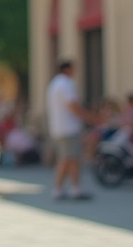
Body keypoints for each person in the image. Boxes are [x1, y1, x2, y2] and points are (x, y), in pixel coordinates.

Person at [46, 60, 93, 200]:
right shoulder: (65, 84)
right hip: (68, 128)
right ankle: (58, 188)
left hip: (60, 128)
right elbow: (72, 105)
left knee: (71, 159)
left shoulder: (54, 84)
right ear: (67, 69)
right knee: (66, 159)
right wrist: (89, 117)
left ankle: (74, 187)